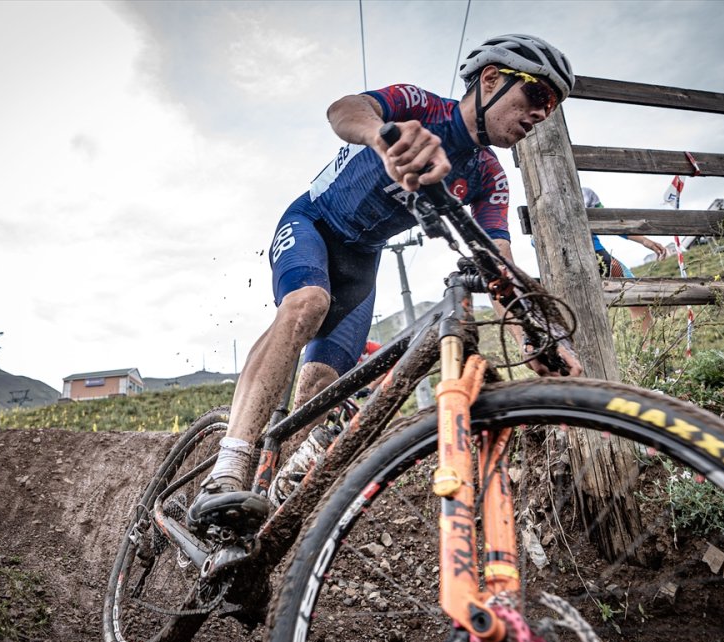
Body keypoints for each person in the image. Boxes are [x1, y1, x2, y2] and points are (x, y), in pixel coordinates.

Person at [188, 34, 584, 530]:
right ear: (490, 80)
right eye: (537, 97)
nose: (540, 115)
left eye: (551, 108)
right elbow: (343, 110)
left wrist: (540, 330)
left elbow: (498, 258)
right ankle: (227, 471)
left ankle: (275, 489)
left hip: (362, 263)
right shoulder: (421, 107)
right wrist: (383, 135)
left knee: (322, 386)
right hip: (313, 224)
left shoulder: (488, 174)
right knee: (307, 304)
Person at [583, 187, 667, 333]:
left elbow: (611, 222)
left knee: (636, 297)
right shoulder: (585, 193)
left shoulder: (586, 194)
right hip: (594, 255)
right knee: (636, 298)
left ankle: (648, 353)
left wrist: (644, 241)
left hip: (593, 256)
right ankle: (648, 352)